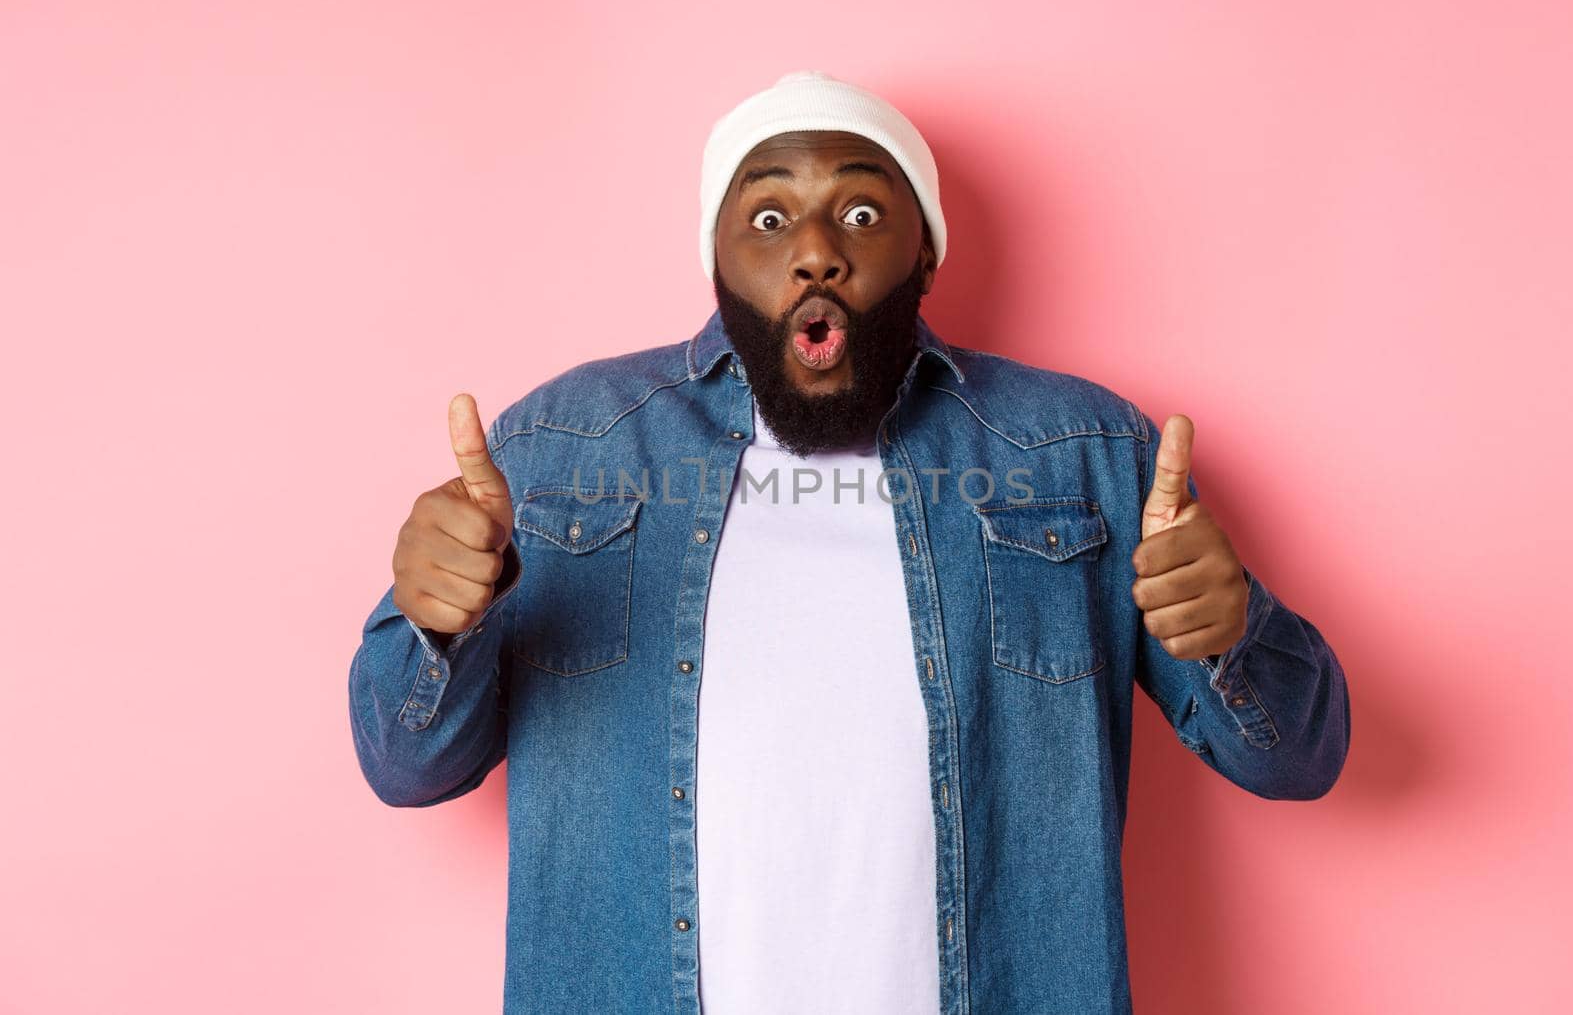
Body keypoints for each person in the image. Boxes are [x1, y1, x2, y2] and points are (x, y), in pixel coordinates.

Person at [347, 70, 1351, 1014]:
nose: (817, 247)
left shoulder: (1083, 453)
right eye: (769, 216)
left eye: (862, 212)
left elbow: (1298, 759)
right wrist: (434, 627)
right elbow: (406, 765)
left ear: (925, 251)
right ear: (716, 257)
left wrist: (1235, 632)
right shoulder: (560, 450)